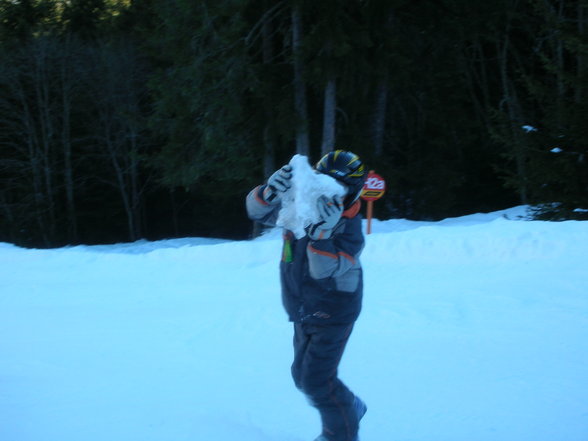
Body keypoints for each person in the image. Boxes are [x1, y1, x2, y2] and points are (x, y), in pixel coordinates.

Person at [246, 150, 368, 441]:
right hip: (302, 307)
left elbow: (324, 269)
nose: (330, 194)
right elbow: (257, 212)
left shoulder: (350, 229)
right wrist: (269, 191)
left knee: (316, 381)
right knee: (301, 376)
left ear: (354, 190)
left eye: (340, 188)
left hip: (334, 313)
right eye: (322, 182)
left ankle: (341, 432)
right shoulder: (302, 207)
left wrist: (322, 235)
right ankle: (350, 405)